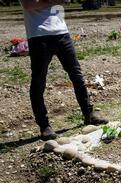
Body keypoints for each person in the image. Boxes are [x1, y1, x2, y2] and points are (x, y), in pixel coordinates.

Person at [20, 0, 108, 140]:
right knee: (39, 80)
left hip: (62, 33)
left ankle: (88, 115)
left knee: (77, 75)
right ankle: (44, 126)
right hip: (38, 35)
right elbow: (29, 5)